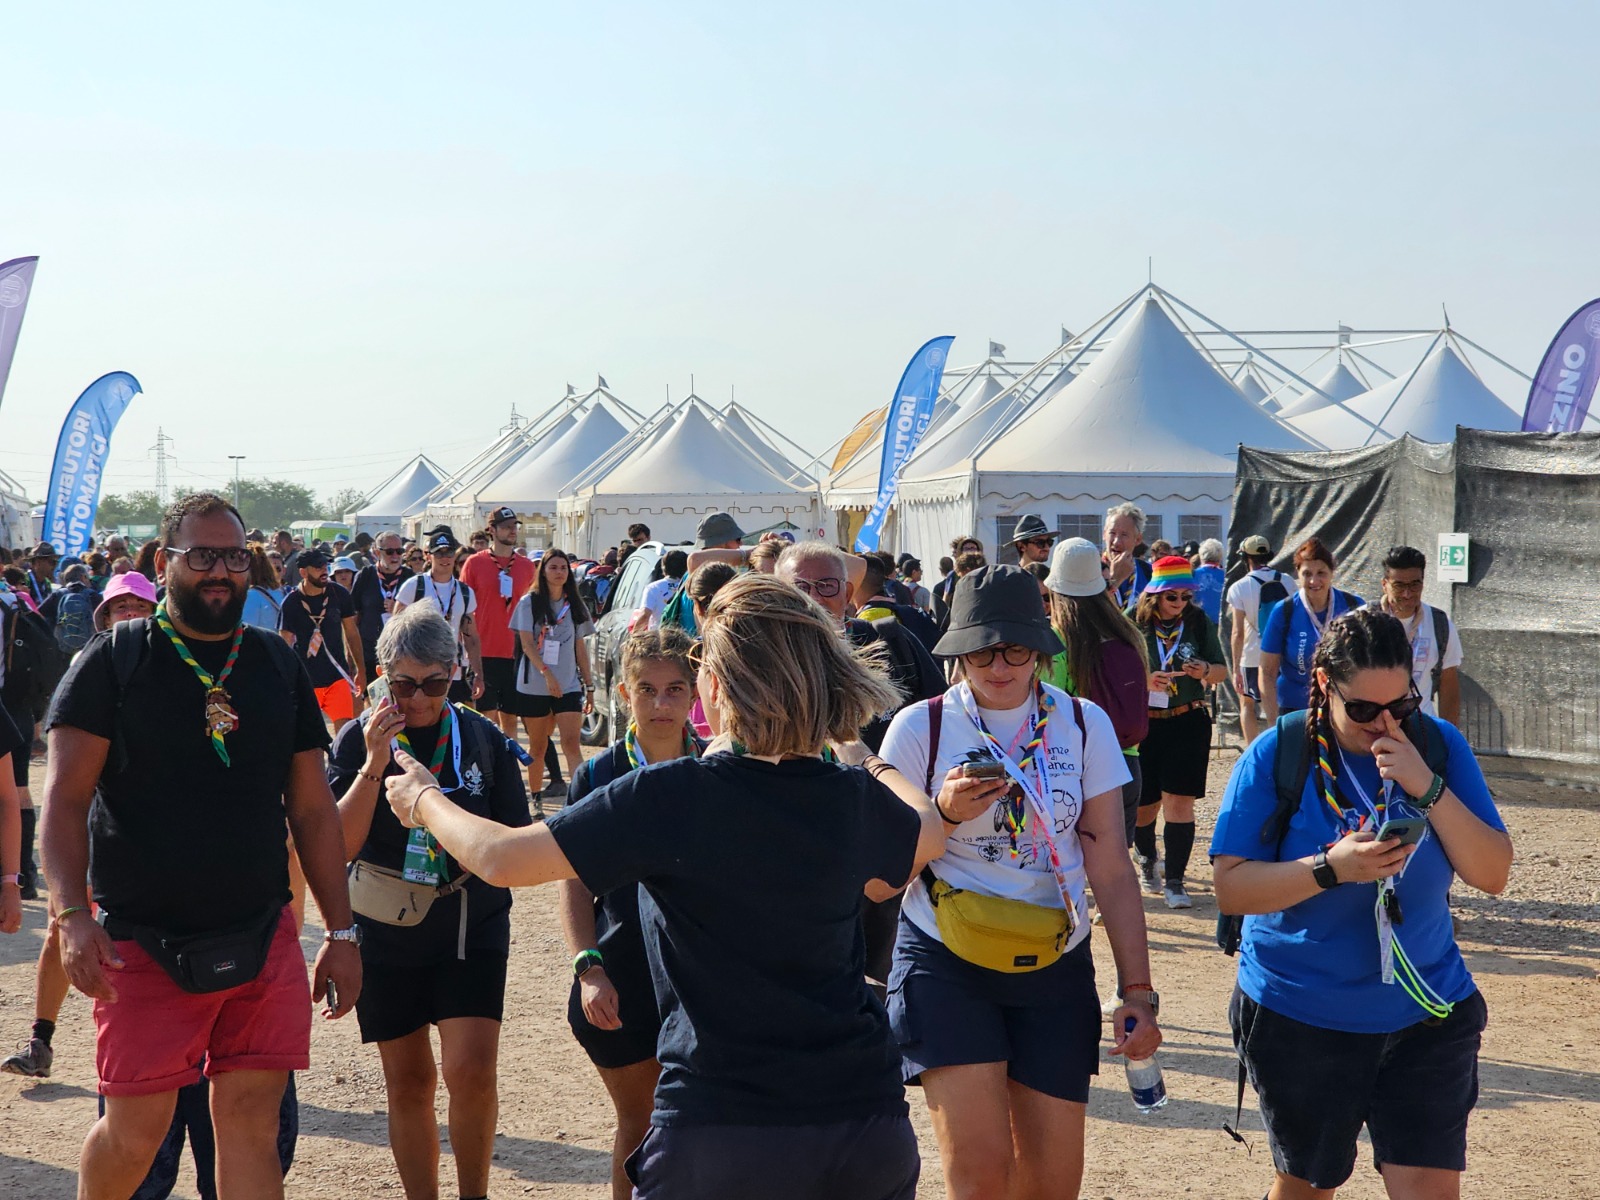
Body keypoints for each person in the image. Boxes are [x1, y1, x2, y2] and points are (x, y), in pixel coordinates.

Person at [384, 572, 963, 1200]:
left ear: (711, 689)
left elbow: (501, 858)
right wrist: (862, 754)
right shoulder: (850, 796)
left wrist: (423, 800)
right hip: (862, 1124)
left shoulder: (671, 794)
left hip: (718, 1127)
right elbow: (928, 830)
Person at [40, 491, 361, 1200]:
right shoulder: (113, 663)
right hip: (142, 942)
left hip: (261, 932)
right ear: (165, 561)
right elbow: (62, 803)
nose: (221, 570)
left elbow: (312, 811)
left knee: (250, 1123)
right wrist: (70, 916)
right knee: (134, 1134)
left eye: (235, 556)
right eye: (203, 555)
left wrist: (340, 931)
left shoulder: (276, 666)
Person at [878, 565, 1161, 1200]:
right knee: (980, 1178)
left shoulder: (1082, 724)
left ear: (1041, 648)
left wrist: (1137, 991)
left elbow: (1111, 867)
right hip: (945, 955)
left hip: (1054, 957)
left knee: (1051, 1183)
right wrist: (945, 813)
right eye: (981, 648)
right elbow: (889, 871)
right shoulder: (919, 727)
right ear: (958, 649)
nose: (998, 664)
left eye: (1016, 647)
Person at [1211, 608, 1511, 1198]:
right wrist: (1330, 869)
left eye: (1401, 705)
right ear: (1324, 682)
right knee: (1307, 1185)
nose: (1384, 724)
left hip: (1427, 1009)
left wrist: (1429, 788)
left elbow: (1492, 873)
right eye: (1364, 710)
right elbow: (1231, 886)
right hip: (1303, 1015)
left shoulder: (1438, 746)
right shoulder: (1280, 752)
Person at [328, 602, 529, 1200]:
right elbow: (337, 845)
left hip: (470, 915)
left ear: (455, 675)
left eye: (434, 684)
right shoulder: (352, 738)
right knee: (409, 1081)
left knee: (470, 1072)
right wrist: (371, 763)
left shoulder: (483, 738)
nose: (418, 699)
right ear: (380, 677)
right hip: (384, 921)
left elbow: (515, 843)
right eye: (403, 685)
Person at [560, 627, 702, 1200]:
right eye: (647, 689)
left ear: (697, 693)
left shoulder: (721, 768)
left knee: (709, 1130)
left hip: (703, 982)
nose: (661, 704)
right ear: (623, 693)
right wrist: (588, 968)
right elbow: (572, 883)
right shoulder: (596, 778)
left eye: (674, 689)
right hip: (620, 978)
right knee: (642, 1125)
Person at [1128, 557, 1228, 907]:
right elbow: (1114, 676)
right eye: (1174, 598)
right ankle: (1146, 858)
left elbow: (1221, 672)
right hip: (1145, 723)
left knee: (1179, 803)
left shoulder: (1198, 622)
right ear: (1156, 596)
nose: (1182, 604)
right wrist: (1143, 681)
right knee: (1144, 807)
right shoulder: (1131, 624)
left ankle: (1175, 882)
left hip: (1188, 720)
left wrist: (1204, 671)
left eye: (1187, 597)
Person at [1043, 538, 1151, 848]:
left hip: (1075, 769)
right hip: (1128, 765)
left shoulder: (1055, 643)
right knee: (1114, 873)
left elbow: (1045, 708)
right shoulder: (1128, 635)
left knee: (1075, 876)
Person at [459, 507, 542, 790]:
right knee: (487, 722)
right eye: (506, 526)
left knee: (512, 723)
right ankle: (488, 779)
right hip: (484, 654)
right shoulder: (474, 563)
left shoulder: (527, 566)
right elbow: (464, 609)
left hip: (518, 654)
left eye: (514, 526)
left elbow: (535, 608)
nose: (512, 530)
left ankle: (509, 781)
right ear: (491, 530)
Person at [509, 549, 595, 804]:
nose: (559, 572)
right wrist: (547, 675)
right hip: (535, 685)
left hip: (568, 685)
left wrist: (589, 686)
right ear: (543, 571)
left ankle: (581, 801)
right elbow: (526, 644)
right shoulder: (529, 602)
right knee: (538, 746)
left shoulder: (574, 604)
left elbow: (580, 648)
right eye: (553, 567)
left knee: (571, 743)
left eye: (563, 568)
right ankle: (535, 798)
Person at [1260, 537, 1363, 725]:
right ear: (1297, 574)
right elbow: (1267, 671)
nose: (1314, 580)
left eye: (1321, 572)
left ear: (1332, 573)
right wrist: (1273, 724)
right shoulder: (1284, 611)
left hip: (1343, 708)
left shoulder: (1354, 606)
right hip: (1294, 710)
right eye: (1307, 573)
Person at [1373, 545, 1463, 726]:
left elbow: (1449, 688)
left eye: (1414, 585)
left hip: (1422, 729)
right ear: (1385, 585)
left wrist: (1448, 740)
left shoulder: (1440, 625)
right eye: (1399, 585)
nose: (1407, 594)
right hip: (1375, 727)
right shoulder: (1363, 621)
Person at [280, 547, 366, 734]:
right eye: (318, 566)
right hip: (305, 681)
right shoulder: (291, 603)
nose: (324, 570)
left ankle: (340, 764)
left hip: (337, 677)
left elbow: (352, 633)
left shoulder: (339, 594)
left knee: (344, 733)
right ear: (303, 572)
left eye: (325, 565)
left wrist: (360, 669)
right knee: (309, 736)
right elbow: (284, 645)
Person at [394, 533, 485, 705]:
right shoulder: (414, 586)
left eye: (449, 552)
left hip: (454, 671)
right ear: (429, 555)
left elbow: (471, 637)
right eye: (439, 553)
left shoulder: (465, 592)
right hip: (420, 671)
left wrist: (478, 675)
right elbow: (395, 633)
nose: (445, 558)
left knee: (457, 723)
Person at [1226, 534, 1288, 745]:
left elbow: (1237, 632)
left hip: (1252, 655)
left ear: (1245, 558)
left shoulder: (1239, 587)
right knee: (1280, 706)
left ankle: (1253, 750)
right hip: (1283, 653)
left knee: (1247, 704)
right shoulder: (1288, 581)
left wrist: (1235, 669)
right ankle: (1281, 746)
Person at [349, 533, 414, 680]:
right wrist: (351, 658)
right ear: (377, 552)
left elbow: (420, 615)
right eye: (390, 552)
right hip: (370, 652)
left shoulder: (410, 578)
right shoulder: (365, 576)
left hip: (401, 651)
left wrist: (400, 609)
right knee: (371, 698)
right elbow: (352, 619)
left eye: (399, 551)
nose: (395, 556)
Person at [1104, 503, 1152, 611]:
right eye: (1112, 533)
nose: (1116, 542)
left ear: (1138, 539)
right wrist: (1114, 580)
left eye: (1124, 535)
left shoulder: (1149, 573)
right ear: (1104, 534)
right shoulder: (1090, 570)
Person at [933, 536, 983, 629]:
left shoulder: (986, 571)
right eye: (967, 548)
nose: (970, 551)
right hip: (959, 620)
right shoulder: (954, 575)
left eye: (973, 548)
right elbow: (946, 599)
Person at [638, 549, 688, 631]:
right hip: (687, 638)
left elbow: (645, 615)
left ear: (663, 568)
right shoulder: (690, 587)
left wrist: (635, 637)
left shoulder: (653, 588)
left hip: (660, 638)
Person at [241, 542, 285, 632]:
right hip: (278, 644)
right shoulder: (280, 592)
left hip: (261, 645)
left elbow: (247, 633)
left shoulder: (252, 595)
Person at [1193, 538, 1226, 626]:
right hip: (1220, 623)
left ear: (1201, 556)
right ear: (1220, 557)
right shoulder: (1226, 576)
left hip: (1198, 621)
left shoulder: (1193, 574)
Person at [25, 542, 58, 607]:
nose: (54, 566)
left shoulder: (47, 583)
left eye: (56, 562)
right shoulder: (25, 580)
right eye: (51, 562)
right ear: (38, 563)